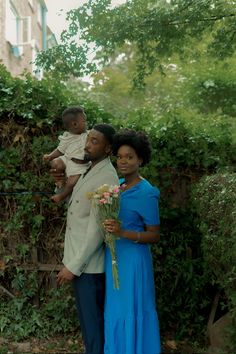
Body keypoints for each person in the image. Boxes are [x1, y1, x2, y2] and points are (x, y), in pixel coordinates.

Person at [52, 123, 119, 354]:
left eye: (94, 141)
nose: (88, 145)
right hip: (79, 262)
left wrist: (73, 266)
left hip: (89, 266)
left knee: (93, 327)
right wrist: (60, 184)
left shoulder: (107, 177)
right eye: (88, 139)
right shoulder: (87, 168)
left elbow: (98, 231)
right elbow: (75, 206)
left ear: (108, 149)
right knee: (89, 326)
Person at [103, 129, 161, 354]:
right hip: (114, 257)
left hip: (134, 262)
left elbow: (154, 235)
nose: (123, 161)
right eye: (119, 157)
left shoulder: (146, 192)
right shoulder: (117, 186)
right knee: (116, 310)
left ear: (141, 159)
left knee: (131, 310)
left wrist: (122, 232)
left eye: (130, 157)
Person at [43, 106, 90, 203]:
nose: (87, 123)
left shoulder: (89, 135)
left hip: (79, 165)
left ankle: (62, 196)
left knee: (71, 182)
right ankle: (59, 181)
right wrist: (50, 156)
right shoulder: (67, 137)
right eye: (84, 121)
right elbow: (60, 150)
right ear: (75, 124)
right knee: (55, 163)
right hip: (67, 159)